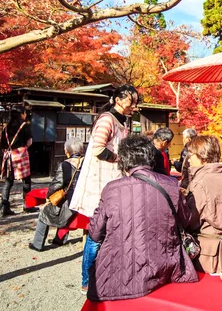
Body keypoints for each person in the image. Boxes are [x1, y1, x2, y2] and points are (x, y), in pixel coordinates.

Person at [87, 135, 198, 301]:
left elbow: (95, 233)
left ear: (123, 161)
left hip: (119, 272)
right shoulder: (171, 185)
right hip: (165, 267)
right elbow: (187, 220)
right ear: (150, 157)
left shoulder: (111, 189)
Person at [69, 84, 138, 294]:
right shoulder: (108, 119)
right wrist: (120, 158)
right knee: (96, 234)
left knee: (109, 233)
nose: (134, 105)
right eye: (131, 100)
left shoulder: (121, 120)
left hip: (111, 181)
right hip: (100, 183)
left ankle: (106, 275)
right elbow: (99, 149)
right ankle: (87, 280)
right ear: (118, 100)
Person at [186, 136, 222, 274]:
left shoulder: (200, 182)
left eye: (191, 155)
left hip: (209, 248)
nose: (188, 159)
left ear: (202, 156)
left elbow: (191, 220)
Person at [29, 138, 85, 251]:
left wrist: (48, 198)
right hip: (82, 200)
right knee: (62, 210)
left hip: (69, 203)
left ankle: (37, 244)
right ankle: (59, 240)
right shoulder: (86, 164)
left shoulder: (65, 165)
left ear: (67, 151)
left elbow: (56, 185)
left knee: (44, 213)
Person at [0, 105, 34, 216]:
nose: (26, 115)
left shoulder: (6, 127)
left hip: (8, 156)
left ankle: (4, 206)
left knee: (8, 182)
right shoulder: (25, 125)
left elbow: (2, 144)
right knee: (26, 180)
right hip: (20, 155)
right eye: (25, 113)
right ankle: (27, 205)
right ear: (21, 114)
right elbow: (29, 142)